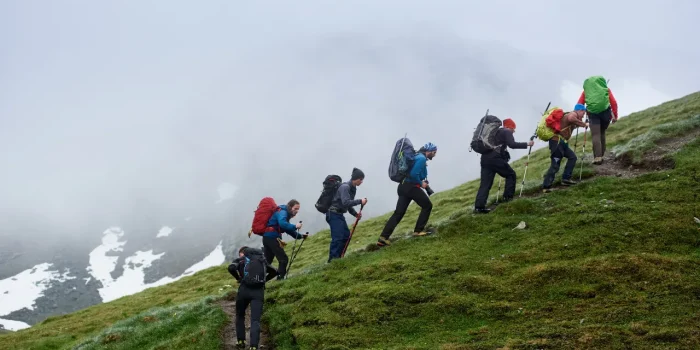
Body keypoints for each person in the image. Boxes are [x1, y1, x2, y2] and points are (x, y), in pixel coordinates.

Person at [377, 142, 437, 246]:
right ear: (429, 151)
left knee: (399, 213)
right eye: (434, 152)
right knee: (427, 206)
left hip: (402, 186)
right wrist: (421, 183)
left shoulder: (416, 156)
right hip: (411, 187)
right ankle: (418, 231)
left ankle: (383, 237)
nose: (434, 154)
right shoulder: (421, 158)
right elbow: (414, 175)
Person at [473, 118, 533, 213]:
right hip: (495, 159)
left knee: (485, 184)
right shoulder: (506, 131)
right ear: (509, 126)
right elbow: (512, 144)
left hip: (485, 159)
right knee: (511, 175)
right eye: (514, 129)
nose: (513, 132)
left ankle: (479, 208)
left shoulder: (495, 132)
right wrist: (527, 144)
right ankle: (508, 198)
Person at [228, 246, 278, 350]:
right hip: (258, 292)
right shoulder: (262, 260)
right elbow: (274, 271)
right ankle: (254, 346)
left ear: (243, 253)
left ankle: (241, 341)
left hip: (244, 290)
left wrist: (238, 278)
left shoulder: (241, 260)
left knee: (240, 315)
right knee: (255, 320)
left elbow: (231, 268)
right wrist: (264, 280)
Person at [542, 104, 589, 193]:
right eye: (583, 113)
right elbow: (571, 119)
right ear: (580, 110)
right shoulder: (573, 114)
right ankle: (546, 187)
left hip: (562, 142)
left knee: (572, 157)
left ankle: (566, 179)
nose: (583, 115)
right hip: (557, 142)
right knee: (555, 164)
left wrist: (580, 123)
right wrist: (584, 124)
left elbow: (570, 123)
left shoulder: (572, 116)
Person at [326, 167, 367, 262]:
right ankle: (332, 261)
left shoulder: (352, 188)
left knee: (346, 235)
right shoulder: (345, 187)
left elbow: (347, 204)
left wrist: (355, 214)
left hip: (339, 214)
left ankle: (339, 257)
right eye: (361, 179)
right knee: (338, 238)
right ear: (356, 178)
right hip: (333, 214)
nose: (361, 182)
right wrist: (360, 201)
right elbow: (346, 202)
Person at [577, 75, 619, 165]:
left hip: (593, 114)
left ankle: (597, 157)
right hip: (606, 114)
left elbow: (579, 104)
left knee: (596, 135)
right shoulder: (606, 89)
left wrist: (578, 117)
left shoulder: (586, 92)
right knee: (602, 132)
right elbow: (614, 102)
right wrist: (615, 115)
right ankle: (602, 154)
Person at [261, 199, 308, 280]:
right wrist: (295, 226)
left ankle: (258, 279)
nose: (297, 211)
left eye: (298, 209)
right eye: (295, 208)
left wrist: (300, 236)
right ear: (290, 207)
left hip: (267, 237)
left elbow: (287, 229)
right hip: (272, 238)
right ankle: (280, 279)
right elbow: (283, 224)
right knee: (283, 259)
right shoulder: (283, 212)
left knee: (267, 262)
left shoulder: (283, 212)